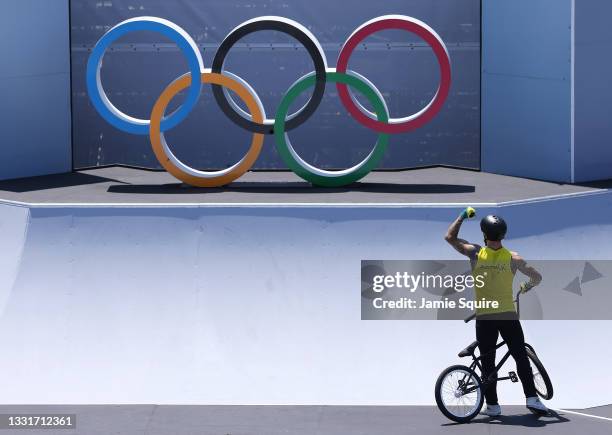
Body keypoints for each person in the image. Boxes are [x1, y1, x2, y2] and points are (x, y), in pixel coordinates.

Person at [444, 207, 549, 416]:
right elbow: (537, 277)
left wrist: (463, 216)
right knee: (521, 357)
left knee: (488, 362)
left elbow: (449, 237)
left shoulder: (475, 253)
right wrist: (524, 288)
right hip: (508, 316)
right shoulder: (513, 258)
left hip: (485, 317)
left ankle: (492, 406)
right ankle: (533, 399)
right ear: (503, 234)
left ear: (484, 234)